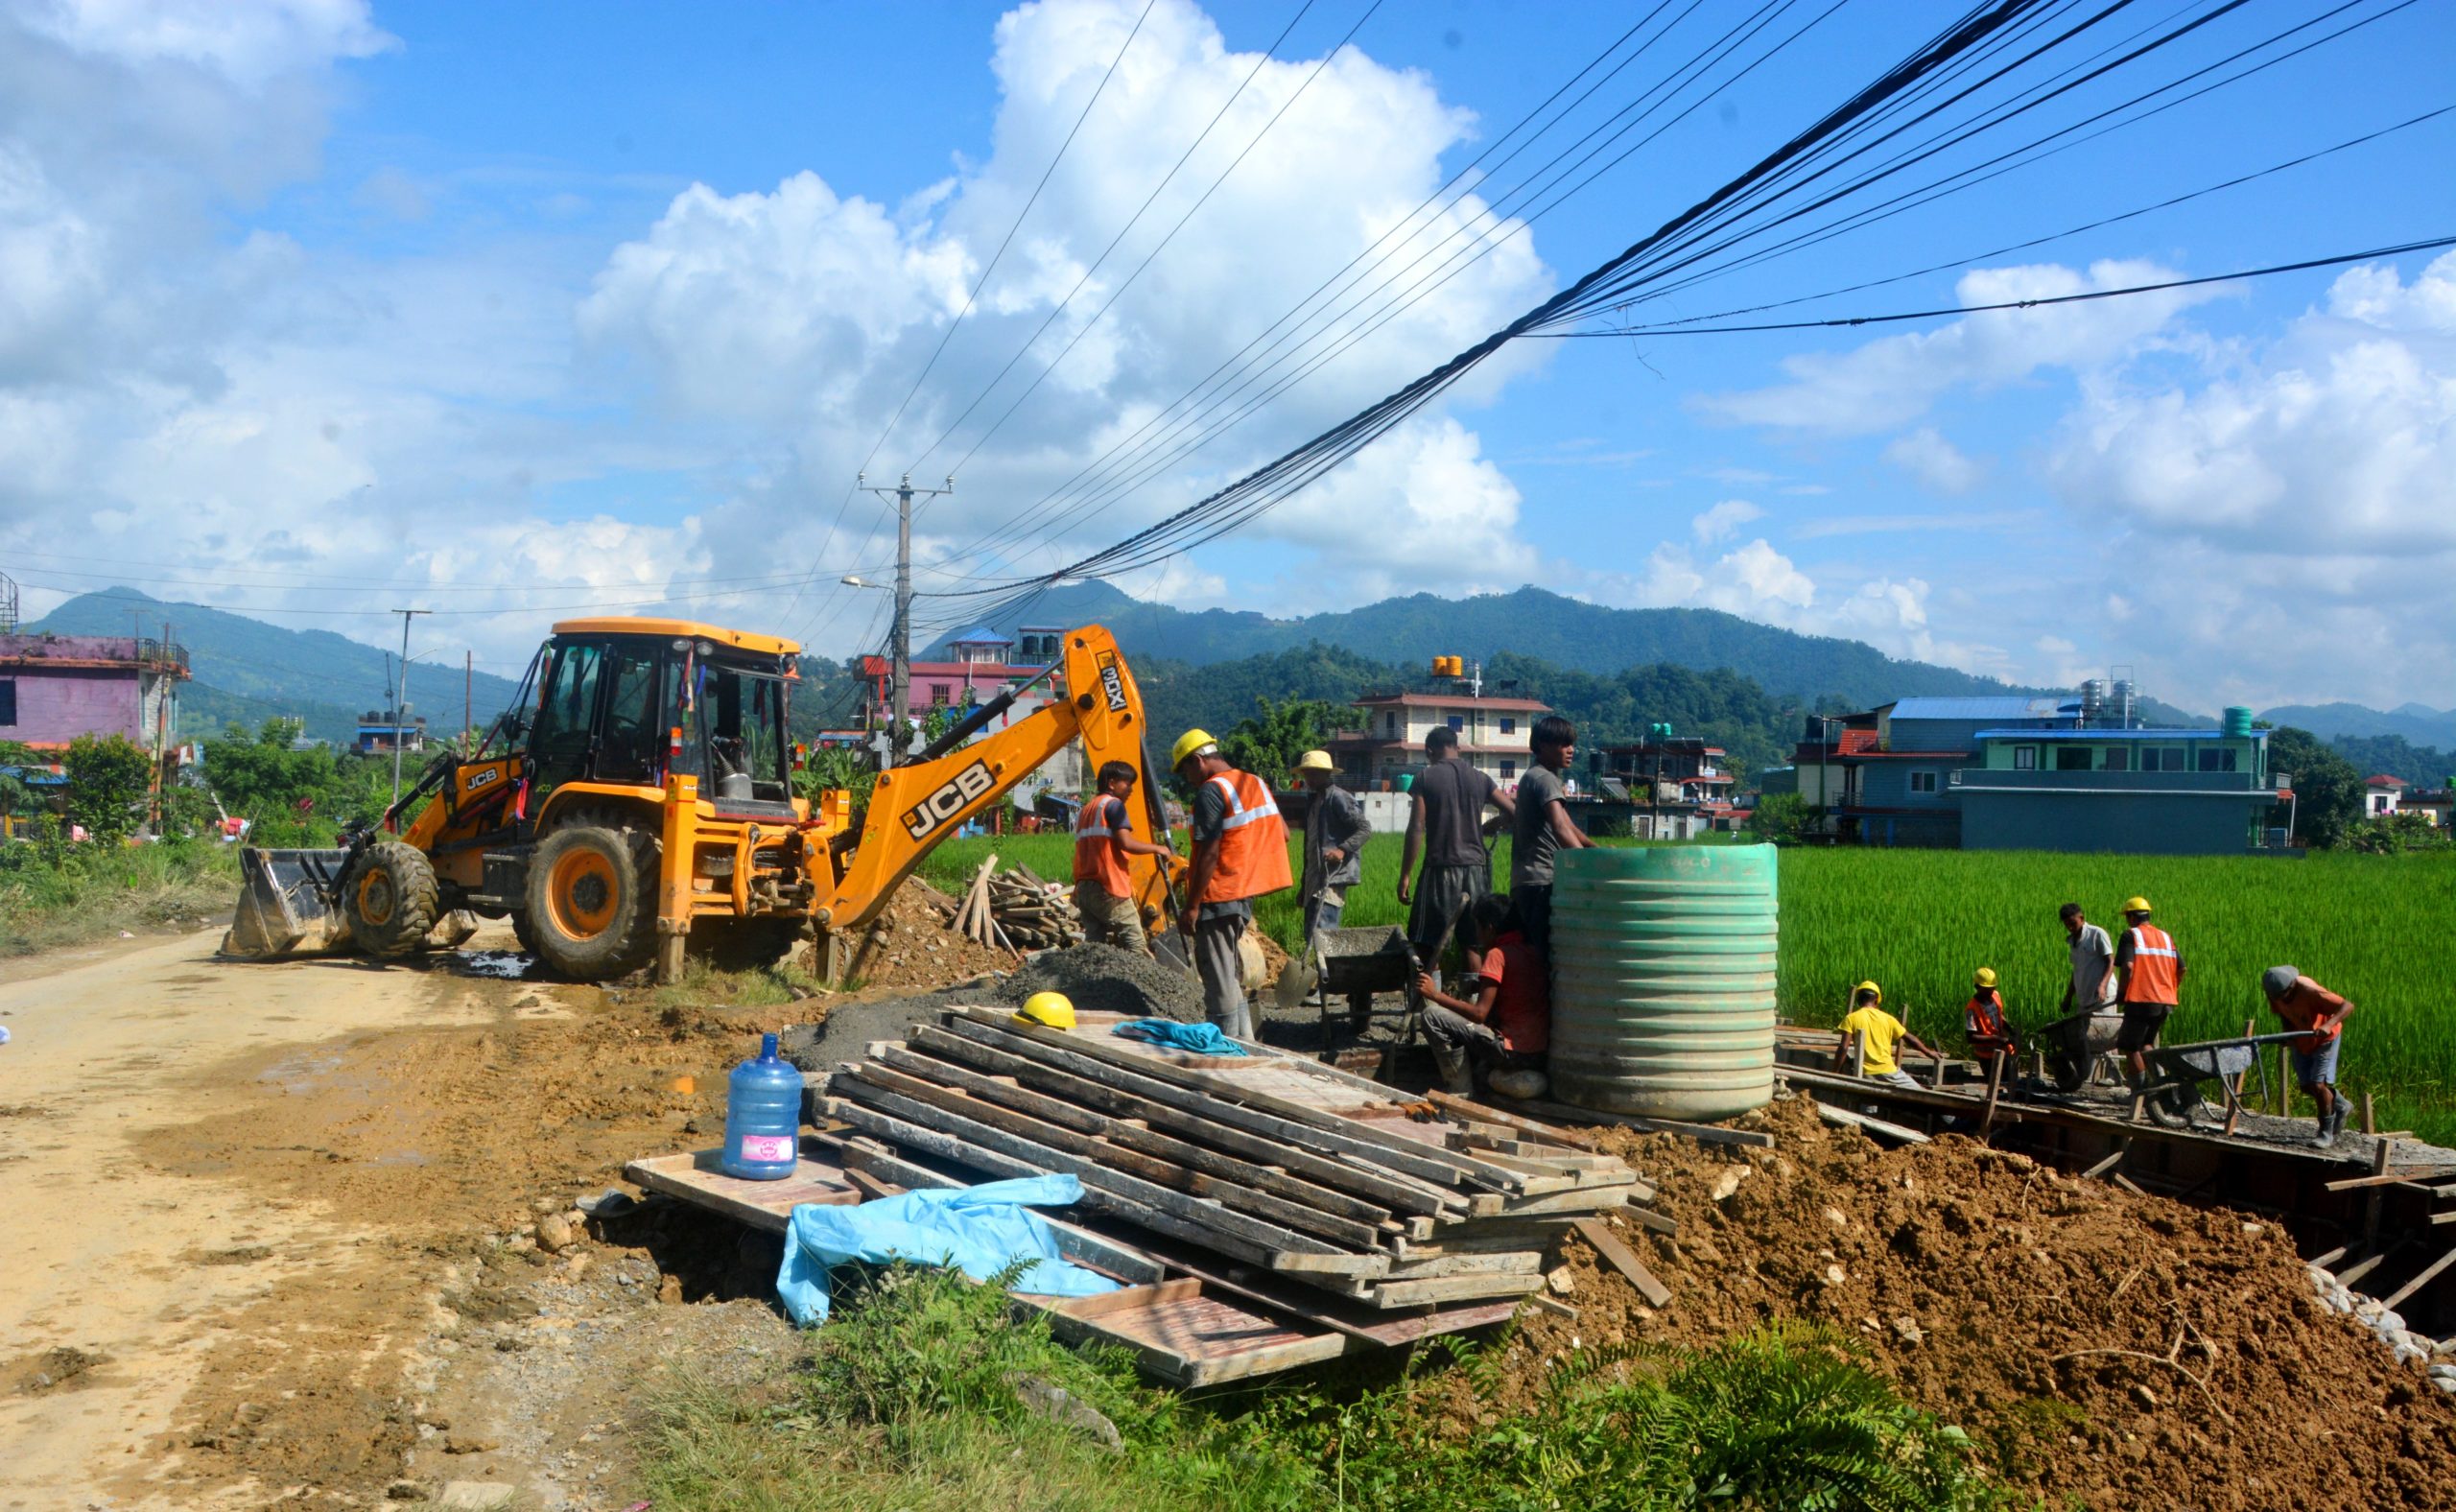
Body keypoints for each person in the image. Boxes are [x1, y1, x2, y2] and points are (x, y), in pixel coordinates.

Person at [1172, 728, 1290, 1041]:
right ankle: (1243, 1043)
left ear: (1198, 760)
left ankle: (1224, 1048)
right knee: (1229, 973)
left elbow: (1209, 851)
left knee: (1218, 977)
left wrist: (1192, 905)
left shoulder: (1211, 792)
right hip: (1243, 894)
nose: (1187, 777)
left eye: (1185, 769)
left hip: (1218, 893)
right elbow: (1284, 834)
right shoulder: (1255, 783)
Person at [1398, 726, 1514, 984]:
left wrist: (1405, 874)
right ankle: (1471, 1010)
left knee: (1428, 944)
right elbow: (1513, 812)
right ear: (1457, 748)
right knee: (1472, 944)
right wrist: (1492, 826)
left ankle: (1429, 1008)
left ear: (1430, 751)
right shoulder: (1480, 778)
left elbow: (1416, 827)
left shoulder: (1426, 778)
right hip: (1475, 870)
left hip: (1441, 869)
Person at [1413, 894, 1547, 1097]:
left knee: (1431, 1016)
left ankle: (1460, 1090)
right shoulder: (1531, 951)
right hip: (1538, 1053)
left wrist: (1435, 994)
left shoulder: (1497, 955)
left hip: (1511, 1051)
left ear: (1490, 928)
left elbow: (1479, 1014)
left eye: (1478, 927)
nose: (1477, 934)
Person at [1510, 715, 1593, 964]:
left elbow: (1567, 824)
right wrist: (1587, 865)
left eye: (1572, 744)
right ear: (1544, 746)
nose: (1570, 750)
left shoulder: (1536, 776)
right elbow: (1559, 827)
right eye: (1563, 744)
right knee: (1544, 959)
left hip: (1527, 881)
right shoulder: (1545, 780)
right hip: (1541, 881)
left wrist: (1594, 850)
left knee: (1534, 955)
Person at [1071, 761, 1174, 955]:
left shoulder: (1087, 809)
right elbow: (1125, 843)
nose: (1131, 789)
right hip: (1108, 886)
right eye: (1127, 783)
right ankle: (1135, 983)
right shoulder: (1114, 806)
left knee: (1095, 946)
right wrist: (1158, 848)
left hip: (1085, 887)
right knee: (1135, 943)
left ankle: (1089, 982)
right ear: (1111, 783)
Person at [2263, 965, 2357, 1148]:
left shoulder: (2311, 991)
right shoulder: (2274, 992)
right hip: (2303, 1037)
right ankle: (2342, 1105)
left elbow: (2347, 1005)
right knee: (2306, 1086)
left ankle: (2325, 1133)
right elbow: (2283, 1013)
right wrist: (2287, 1034)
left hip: (2325, 1038)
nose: (2283, 999)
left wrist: (2329, 1024)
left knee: (2317, 1084)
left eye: (2286, 995)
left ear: (2292, 986)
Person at [1293, 750, 1370, 944]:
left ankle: (1328, 973)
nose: (1309, 777)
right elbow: (1311, 847)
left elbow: (1364, 829)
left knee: (1324, 935)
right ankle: (1319, 973)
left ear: (1326, 773)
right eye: (1306, 773)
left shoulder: (1338, 798)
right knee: (1311, 934)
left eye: (1314, 773)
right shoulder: (1314, 802)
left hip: (1331, 878)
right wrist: (1303, 886)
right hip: (1314, 878)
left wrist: (1342, 850)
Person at [2112, 895, 2184, 1095]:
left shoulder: (2131, 935)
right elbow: (2182, 969)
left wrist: (2121, 993)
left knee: (2129, 1046)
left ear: (2132, 917)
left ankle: (2140, 1095)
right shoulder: (2165, 937)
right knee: (2146, 1044)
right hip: (2165, 1001)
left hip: (2141, 999)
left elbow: (2127, 966)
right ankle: (2160, 1088)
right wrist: (2170, 989)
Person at [1833, 981, 1940, 1092]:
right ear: (1876, 1000)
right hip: (1888, 1072)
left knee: (1868, 1102)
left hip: (1865, 1073)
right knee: (1921, 1093)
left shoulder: (1851, 1018)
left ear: (1859, 999)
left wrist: (1835, 1073)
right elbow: (1909, 1038)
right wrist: (1928, 1052)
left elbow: (1843, 1048)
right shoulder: (1888, 1019)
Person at [2059, 902, 2116, 1017]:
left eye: (2073, 923)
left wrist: (2102, 986)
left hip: (2103, 996)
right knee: (2084, 1032)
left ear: (2081, 918)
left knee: (2103, 1030)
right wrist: (2068, 997)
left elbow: (2111, 961)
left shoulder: (2097, 934)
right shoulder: (2072, 941)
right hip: (2084, 997)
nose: (2070, 928)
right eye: (2067, 925)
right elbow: (2077, 971)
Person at [1964, 966, 2019, 1075]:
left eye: (1992, 988)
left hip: (2004, 1051)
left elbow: (2000, 1015)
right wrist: (1996, 1038)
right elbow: (1970, 1038)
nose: (1991, 991)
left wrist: (2011, 1031)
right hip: (1988, 1058)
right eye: (1987, 989)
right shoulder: (1971, 1009)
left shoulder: (1995, 995)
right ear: (1977, 987)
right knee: (1997, 1082)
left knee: (2012, 1081)